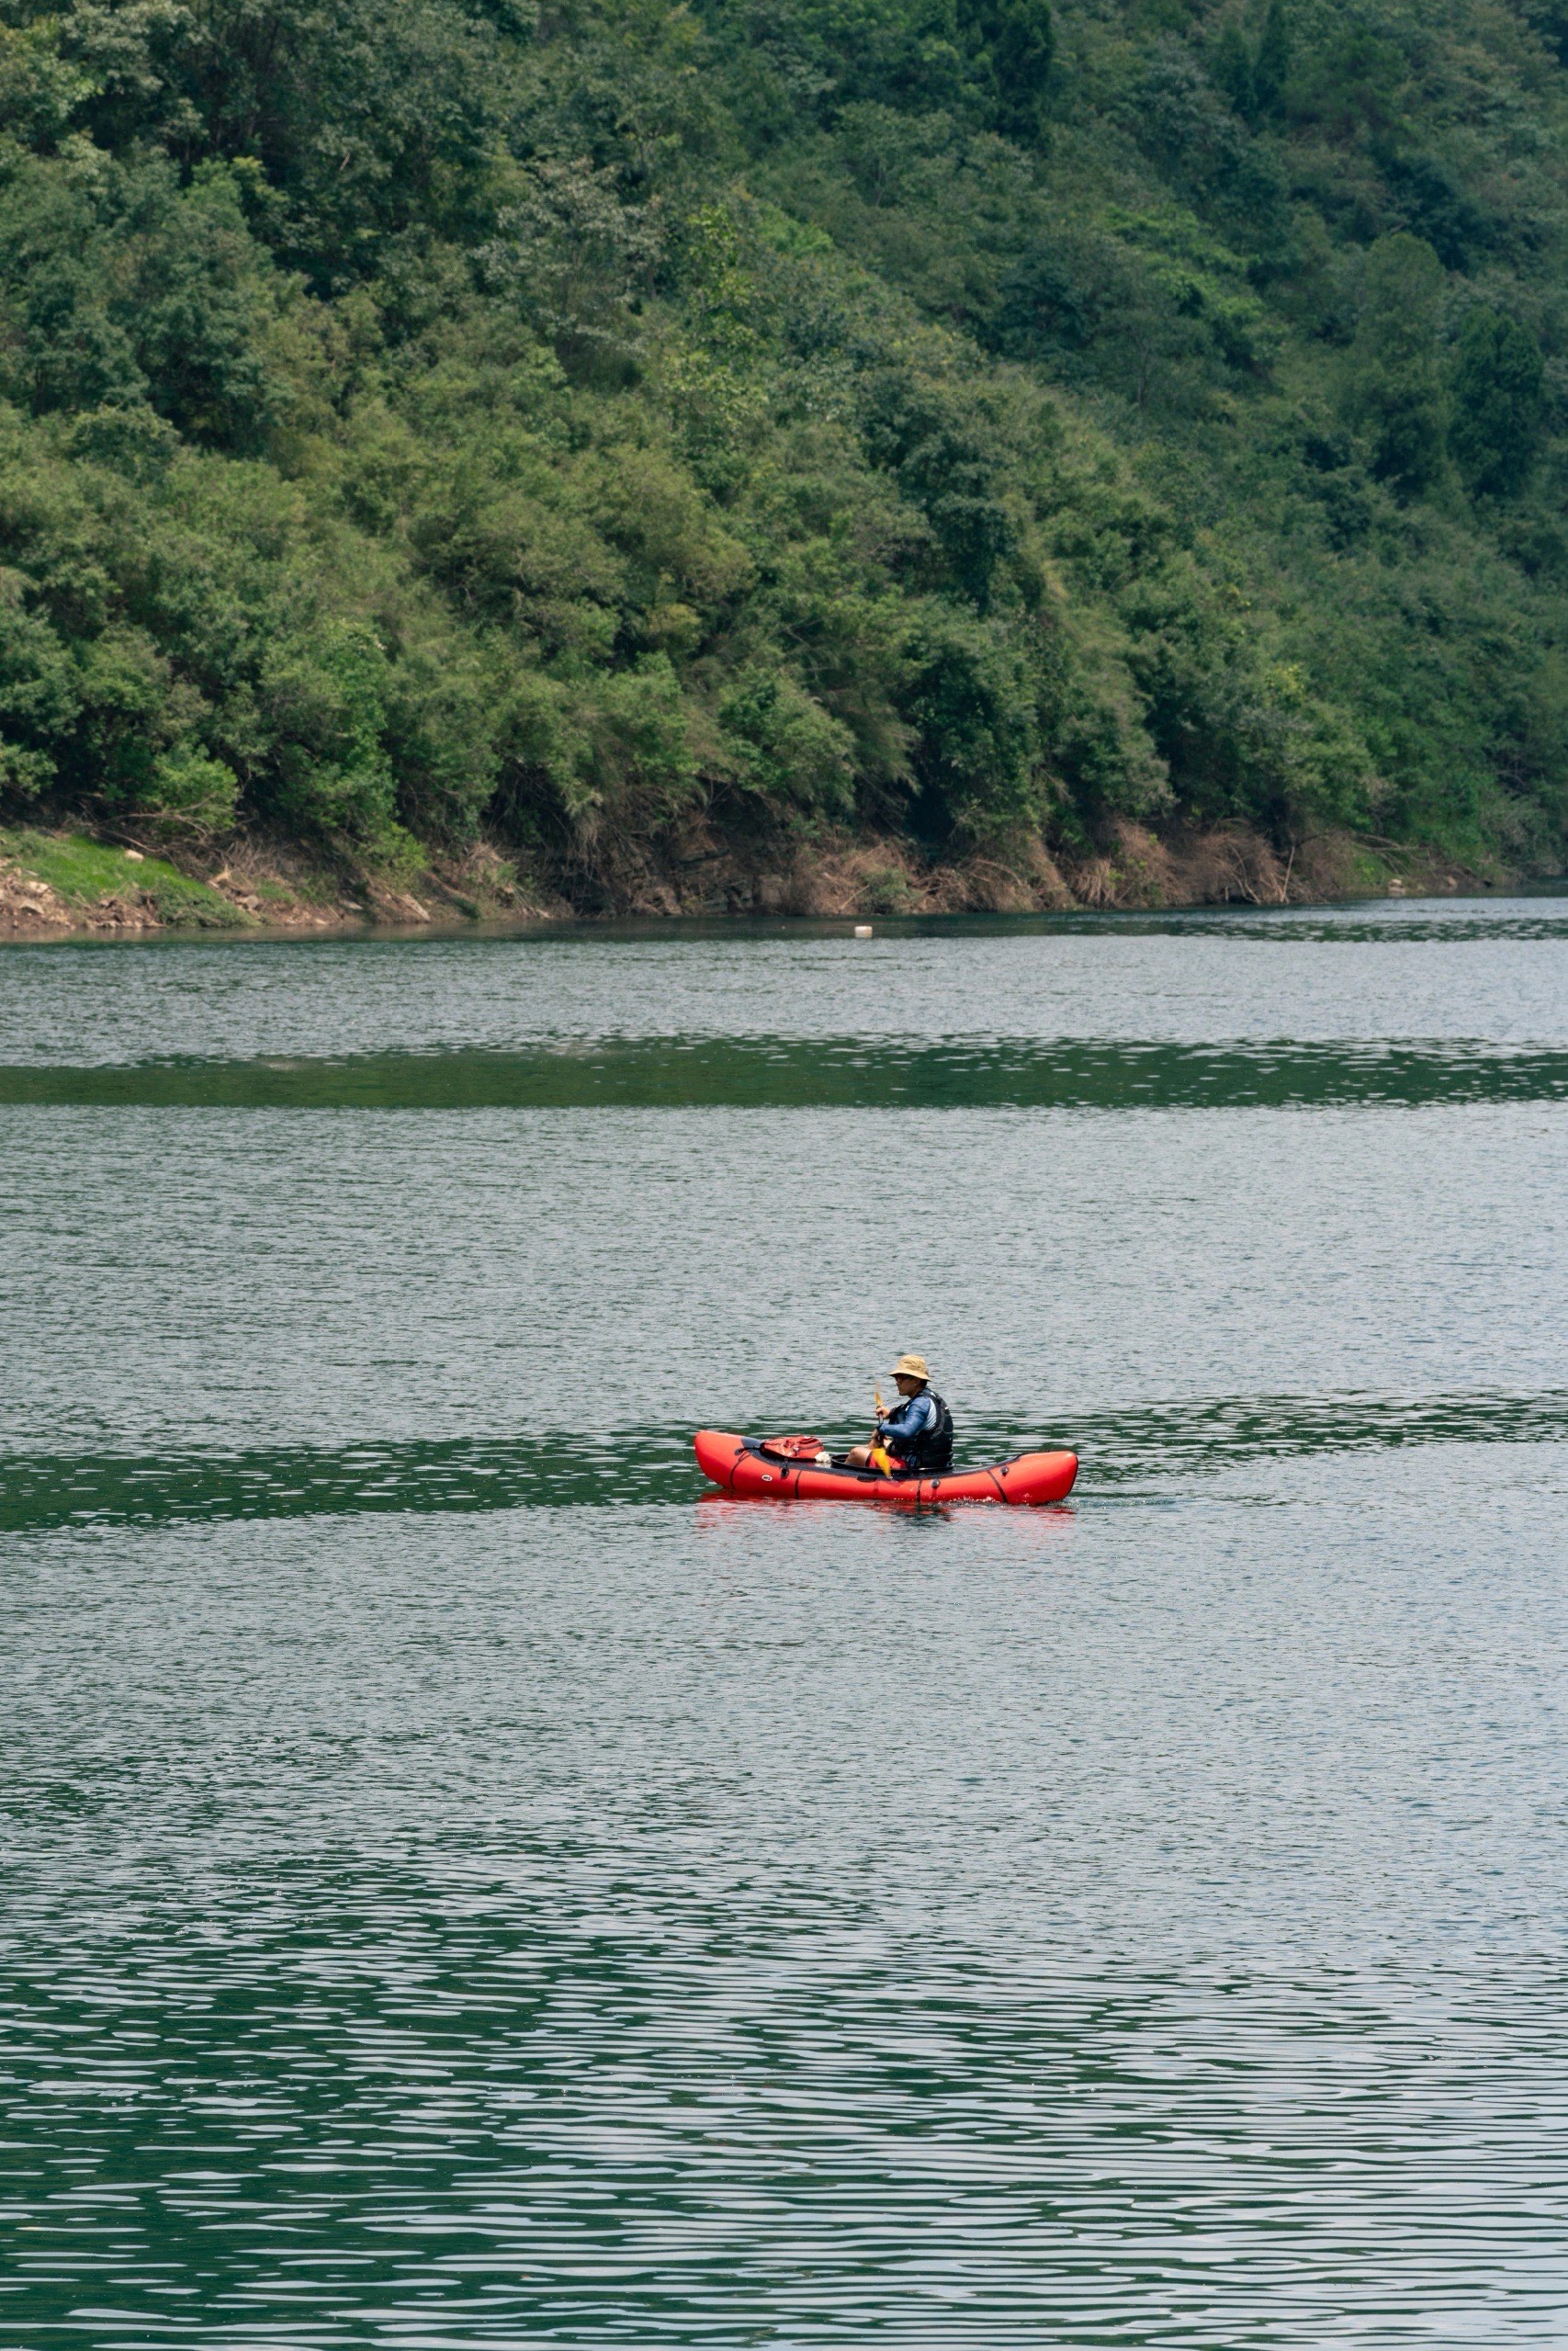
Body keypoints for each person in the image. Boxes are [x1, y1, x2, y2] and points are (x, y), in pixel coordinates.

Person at [844, 1354, 954, 1475]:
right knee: (877, 1442)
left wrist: (881, 1428)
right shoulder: (928, 1397)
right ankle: (864, 1473)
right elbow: (912, 1415)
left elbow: (907, 1430)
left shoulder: (920, 1403)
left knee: (856, 1453)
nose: (897, 1382)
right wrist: (891, 1413)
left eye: (901, 1378)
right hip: (934, 1463)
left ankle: (841, 1480)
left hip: (916, 1466)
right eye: (896, 1378)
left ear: (916, 1380)